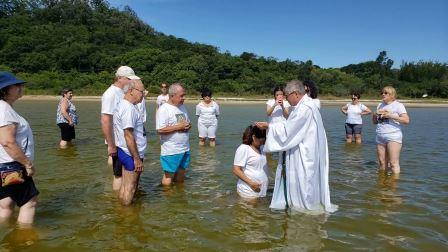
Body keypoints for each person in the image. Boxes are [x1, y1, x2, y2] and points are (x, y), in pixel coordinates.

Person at [256, 80, 337, 213]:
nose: (286, 98)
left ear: (295, 94)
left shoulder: (305, 108)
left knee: (303, 180)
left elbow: (289, 130)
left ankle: (302, 208)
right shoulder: (306, 105)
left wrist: (269, 126)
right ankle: (305, 205)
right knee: (307, 180)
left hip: (304, 151)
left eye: (287, 96)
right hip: (307, 148)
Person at [0, 72, 38, 224]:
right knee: (30, 201)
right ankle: (23, 240)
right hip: (12, 166)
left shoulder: (3, 108)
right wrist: (27, 163)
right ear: (5, 90)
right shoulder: (4, 110)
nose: (21, 87)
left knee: (6, 204)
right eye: (16, 85)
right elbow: (7, 142)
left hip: (3, 165)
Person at [101, 66, 140, 191]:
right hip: (117, 142)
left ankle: (124, 196)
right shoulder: (110, 94)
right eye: (129, 79)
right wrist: (111, 145)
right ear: (119, 78)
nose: (131, 81)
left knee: (125, 172)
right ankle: (116, 204)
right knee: (118, 174)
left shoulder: (123, 91)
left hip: (125, 141)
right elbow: (106, 120)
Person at [114, 79, 147, 205]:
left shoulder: (124, 105)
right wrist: (137, 159)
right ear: (131, 91)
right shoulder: (128, 108)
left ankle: (121, 212)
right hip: (130, 154)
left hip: (124, 151)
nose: (143, 94)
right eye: (141, 91)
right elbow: (128, 134)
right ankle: (127, 218)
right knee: (131, 188)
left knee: (125, 186)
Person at [156, 83, 191, 186]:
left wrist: (188, 126)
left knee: (181, 173)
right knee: (168, 177)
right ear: (172, 96)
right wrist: (179, 127)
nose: (184, 98)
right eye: (181, 96)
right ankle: (168, 199)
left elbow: (186, 123)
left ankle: (178, 197)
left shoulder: (182, 107)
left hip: (185, 148)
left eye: (184, 95)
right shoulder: (164, 109)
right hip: (171, 150)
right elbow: (160, 130)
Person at [373, 86, 410, 174]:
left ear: (392, 95)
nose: (383, 94)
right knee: (382, 163)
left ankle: (393, 185)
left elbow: (406, 120)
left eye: (385, 93)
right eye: (382, 93)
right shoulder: (380, 105)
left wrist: (390, 115)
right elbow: (374, 122)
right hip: (380, 136)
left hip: (393, 136)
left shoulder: (398, 105)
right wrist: (375, 114)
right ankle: (383, 183)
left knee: (393, 163)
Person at [232, 125, 268, 198]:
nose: (263, 141)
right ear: (253, 137)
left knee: (259, 209)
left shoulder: (262, 148)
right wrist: (251, 184)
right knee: (249, 209)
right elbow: (236, 170)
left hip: (261, 190)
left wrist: (268, 126)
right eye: (261, 139)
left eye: (264, 138)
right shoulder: (244, 148)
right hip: (248, 189)